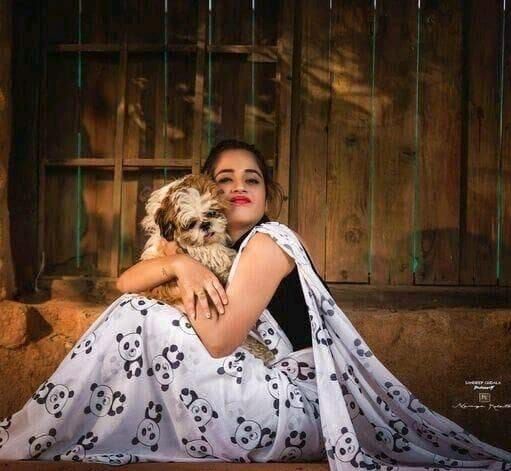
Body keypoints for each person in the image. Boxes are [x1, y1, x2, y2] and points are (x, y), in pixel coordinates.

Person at [0, 139, 510, 470]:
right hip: (256, 396)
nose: (239, 187)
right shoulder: (210, 248)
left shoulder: (269, 243)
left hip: (290, 407)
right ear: (204, 192)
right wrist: (180, 265)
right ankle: (56, 428)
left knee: (140, 315)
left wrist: (180, 273)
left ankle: (45, 430)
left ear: (268, 195)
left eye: (253, 179)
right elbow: (125, 281)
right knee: (133, 309)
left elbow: (221, 340)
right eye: (225, 179)